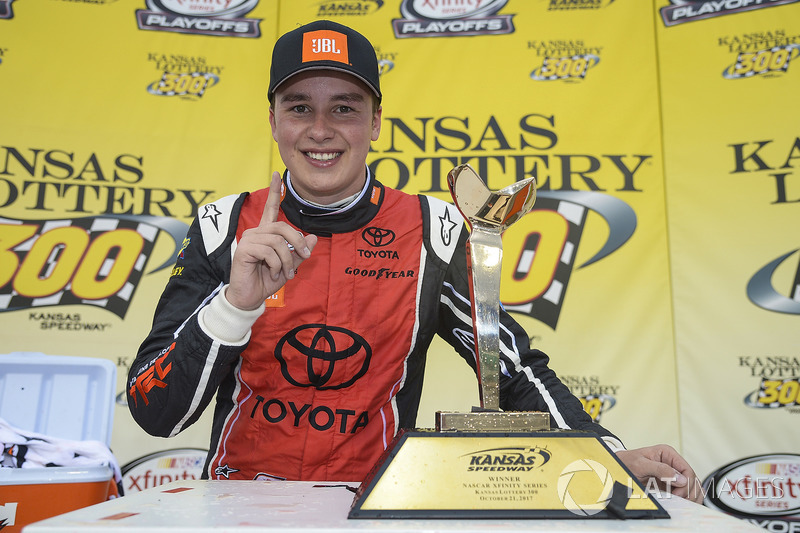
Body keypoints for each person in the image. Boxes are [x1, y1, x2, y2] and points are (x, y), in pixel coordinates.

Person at [127, 20, 703, 503]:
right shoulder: (225, 225)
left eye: (345, 108)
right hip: (238, 504)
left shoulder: (433, 231)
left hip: (370, 504)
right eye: (299, 107)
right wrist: (234, 306)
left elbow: (510, 369)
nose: (320, 130)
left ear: (376, 122)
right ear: (274, 120)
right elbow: (156, 415)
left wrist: (604, 452)